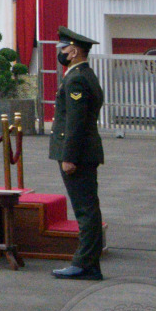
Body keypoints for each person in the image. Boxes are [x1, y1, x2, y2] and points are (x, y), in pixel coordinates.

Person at [50, 28, 106, 279]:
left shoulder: (76, 79)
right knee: (88, 208)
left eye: (63, 49)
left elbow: (76, 121)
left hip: (79, 154)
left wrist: (69, 156)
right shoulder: (85, 74)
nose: (60, 53)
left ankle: (85, 263)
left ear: (73, 51)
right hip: (85, 152)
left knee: (85, 210)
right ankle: (89, 263)